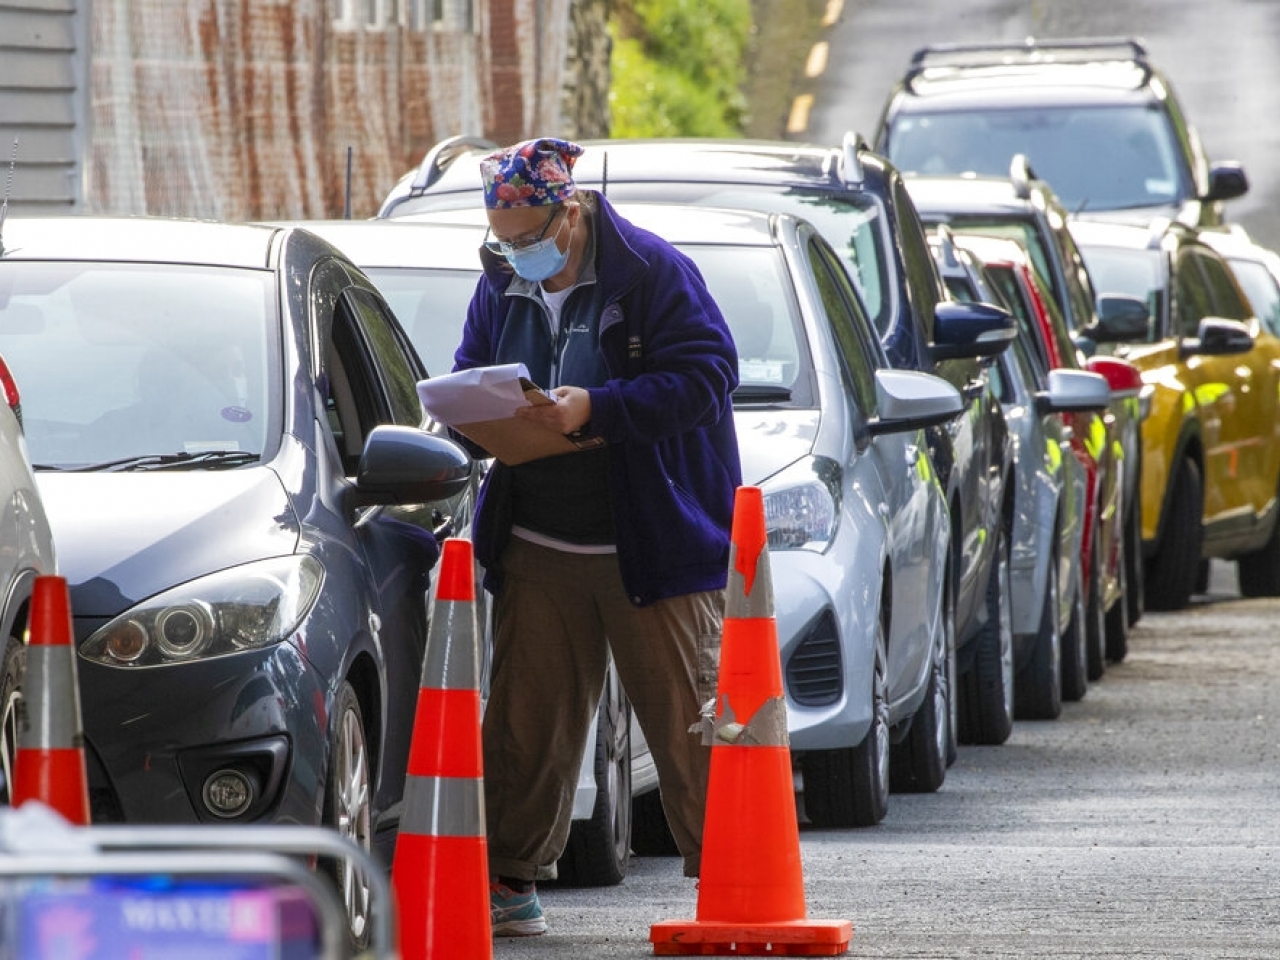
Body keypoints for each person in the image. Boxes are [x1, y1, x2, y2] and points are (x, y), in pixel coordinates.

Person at [451, 137, 742, 937]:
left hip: (652, 542)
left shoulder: (651, 272)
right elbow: (474, 365)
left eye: (526, 236)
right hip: (541, 540)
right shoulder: (502, 282)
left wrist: (596, 410)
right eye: (501, 239)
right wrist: (473, 421)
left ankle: (736, 886)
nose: (514, 253)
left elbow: (708, 374)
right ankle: (509, 884)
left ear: (569, 213)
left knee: (692, 728)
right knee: (525, 725)